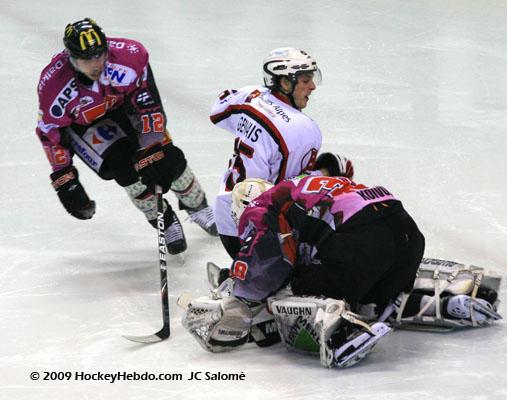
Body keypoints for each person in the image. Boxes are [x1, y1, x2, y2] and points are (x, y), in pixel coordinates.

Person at [182, 175, 427, 367]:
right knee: (361, 287)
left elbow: (264, 273)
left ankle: (342, 334)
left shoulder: (259, 205)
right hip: (408, 237)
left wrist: (232, 289)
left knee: (295, 289)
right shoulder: (300, 191)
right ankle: (414, 301)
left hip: (361, 241)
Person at [35, 18, 217, 255]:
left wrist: (151, 149)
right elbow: (49, 131)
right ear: (71, 57)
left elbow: (147, 103)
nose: (95, 64)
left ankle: (198, 205)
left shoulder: (131, 56)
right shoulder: (53, 86)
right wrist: (65, 180)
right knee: (126, 170)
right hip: (84, 124)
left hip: (124, 107)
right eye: (86, 59)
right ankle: (163, 219)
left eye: (100, 55)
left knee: (169, 159)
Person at [208, 47, 354, 259]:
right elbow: (293, 191)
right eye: (305, 81)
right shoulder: (304, 130)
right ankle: (255, 278)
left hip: (225, 217)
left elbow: (217, 112)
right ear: (285, 82)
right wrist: (327, 173)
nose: (313, 87)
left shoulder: (250, 95)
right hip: (255, 232)